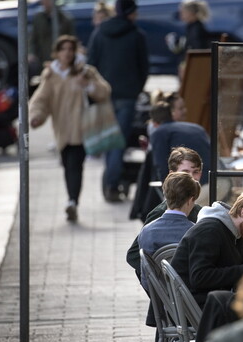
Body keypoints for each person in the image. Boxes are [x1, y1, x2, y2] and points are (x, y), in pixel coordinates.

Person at [29, 35, 111, 222]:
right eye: (63, 49)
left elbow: (104, 91)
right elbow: (41, 100)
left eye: (70, 49)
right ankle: (72, 200)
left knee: (75, 165)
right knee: (68, 165)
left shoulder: (85, 71)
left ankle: (72, 201)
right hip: (62, 130)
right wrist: (36, 117)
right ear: (56, 53)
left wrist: (88, 85)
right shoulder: (50, 75)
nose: (67, 53)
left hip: (82, 129)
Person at [87, 0, 149, 202]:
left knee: (109, 140)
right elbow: (144, 67)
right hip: (127, 97)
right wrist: (136, 89)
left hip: (104, 96)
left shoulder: (99, 32)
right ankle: (111, 184)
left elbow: (91, 64)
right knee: (117, 142)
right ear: (130, 12)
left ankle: (110, 183)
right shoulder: (137, 35)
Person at [170, 189, 243, 308]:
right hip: (191, 308)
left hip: (212, 302)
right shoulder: (209, 230)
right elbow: (200, 277)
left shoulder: (240, 234)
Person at [127, 146, 204, 281]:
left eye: (196, 172)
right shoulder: (161, 213)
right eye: (185, 172)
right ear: (171, 174)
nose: (192, 178)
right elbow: (134, 255)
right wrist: (159, 282)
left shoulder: (199, 211)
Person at [137, 171, 201, 291]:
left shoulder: (147, 231)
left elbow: (146, 279)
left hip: (159, 300)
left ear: (165, 195)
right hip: (191, 301)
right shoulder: (196, 232)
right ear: (190, 200)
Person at [149, 101, 211, 185]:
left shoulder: (159, 132)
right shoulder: (197, 127)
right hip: (219, 179)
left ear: (154, 123)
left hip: (198, 185)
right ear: (172, 115)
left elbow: (161, 166)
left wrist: (167, 188)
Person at [28, 0, 75, 75]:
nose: (45, 2)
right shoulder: (38, 18)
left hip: (60, 61)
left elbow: (72, 40)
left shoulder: (65, 19)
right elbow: (33, 39)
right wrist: (31, 53)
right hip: (42, 58)